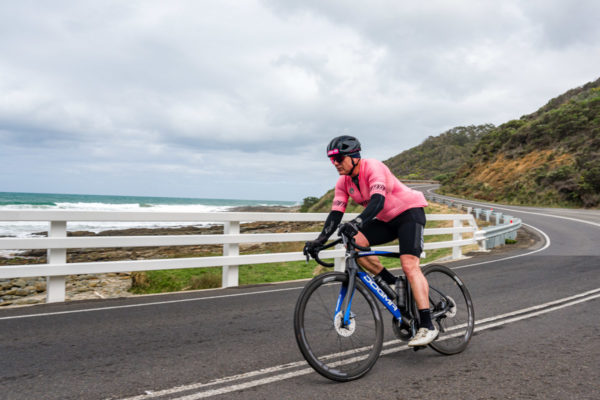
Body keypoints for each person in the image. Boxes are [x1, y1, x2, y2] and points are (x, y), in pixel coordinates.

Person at [304, 135, 438, 347]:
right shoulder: (344, 183)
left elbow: (378, 201)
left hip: (409, 213)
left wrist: (357, 221)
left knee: (409, 264)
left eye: (338, 158)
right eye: (332, 160)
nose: (335, 163)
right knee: (353, 240)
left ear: (354, 156)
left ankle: (427, 325)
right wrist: (319, 240)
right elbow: (336, 213)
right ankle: (393, 282)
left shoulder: (373, 167)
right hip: (387, 220)